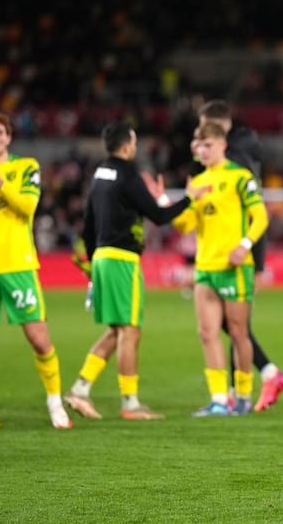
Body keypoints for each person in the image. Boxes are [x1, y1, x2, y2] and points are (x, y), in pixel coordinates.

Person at [63, 122, 202, 421]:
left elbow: (87, 222)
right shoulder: (128, 174)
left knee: (116, 329)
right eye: (135, 142)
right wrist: (190, 198)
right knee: (130, 330)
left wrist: (92, 261)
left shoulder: (99, 174)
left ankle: (80, 388)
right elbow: (160, 216)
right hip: (122, 259)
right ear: (127, 146)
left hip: (101, 256)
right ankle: (130, 403)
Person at [0, 111, 72, 430]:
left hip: (18, 264)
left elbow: (27, 208)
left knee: (38, 337)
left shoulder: (26, 167)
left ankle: (55, 404)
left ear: (8, 137)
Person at [196, 100, 283, 412]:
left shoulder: (235, 161)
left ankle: (251, 387)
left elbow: (254, 210)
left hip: (240, 252)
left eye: (206, 130)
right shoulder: (243, 148)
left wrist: (254, 256)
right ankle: (253, 383)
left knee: (236, 326)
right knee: (229, 325)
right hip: (233, 251)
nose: (201, 139)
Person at [174, 121, 268, 416]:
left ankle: (242, 395)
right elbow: (184, 225)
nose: (203, 151)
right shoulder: (198, 182)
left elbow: (260, 217)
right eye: (199, 146)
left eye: (208, 145)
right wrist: (183, 200)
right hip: (206, 267)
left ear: (222, 145)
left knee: (239, 333)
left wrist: (244, 245)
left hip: (235, 267)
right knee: (207, 332)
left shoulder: (241, 178)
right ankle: (219, 399)